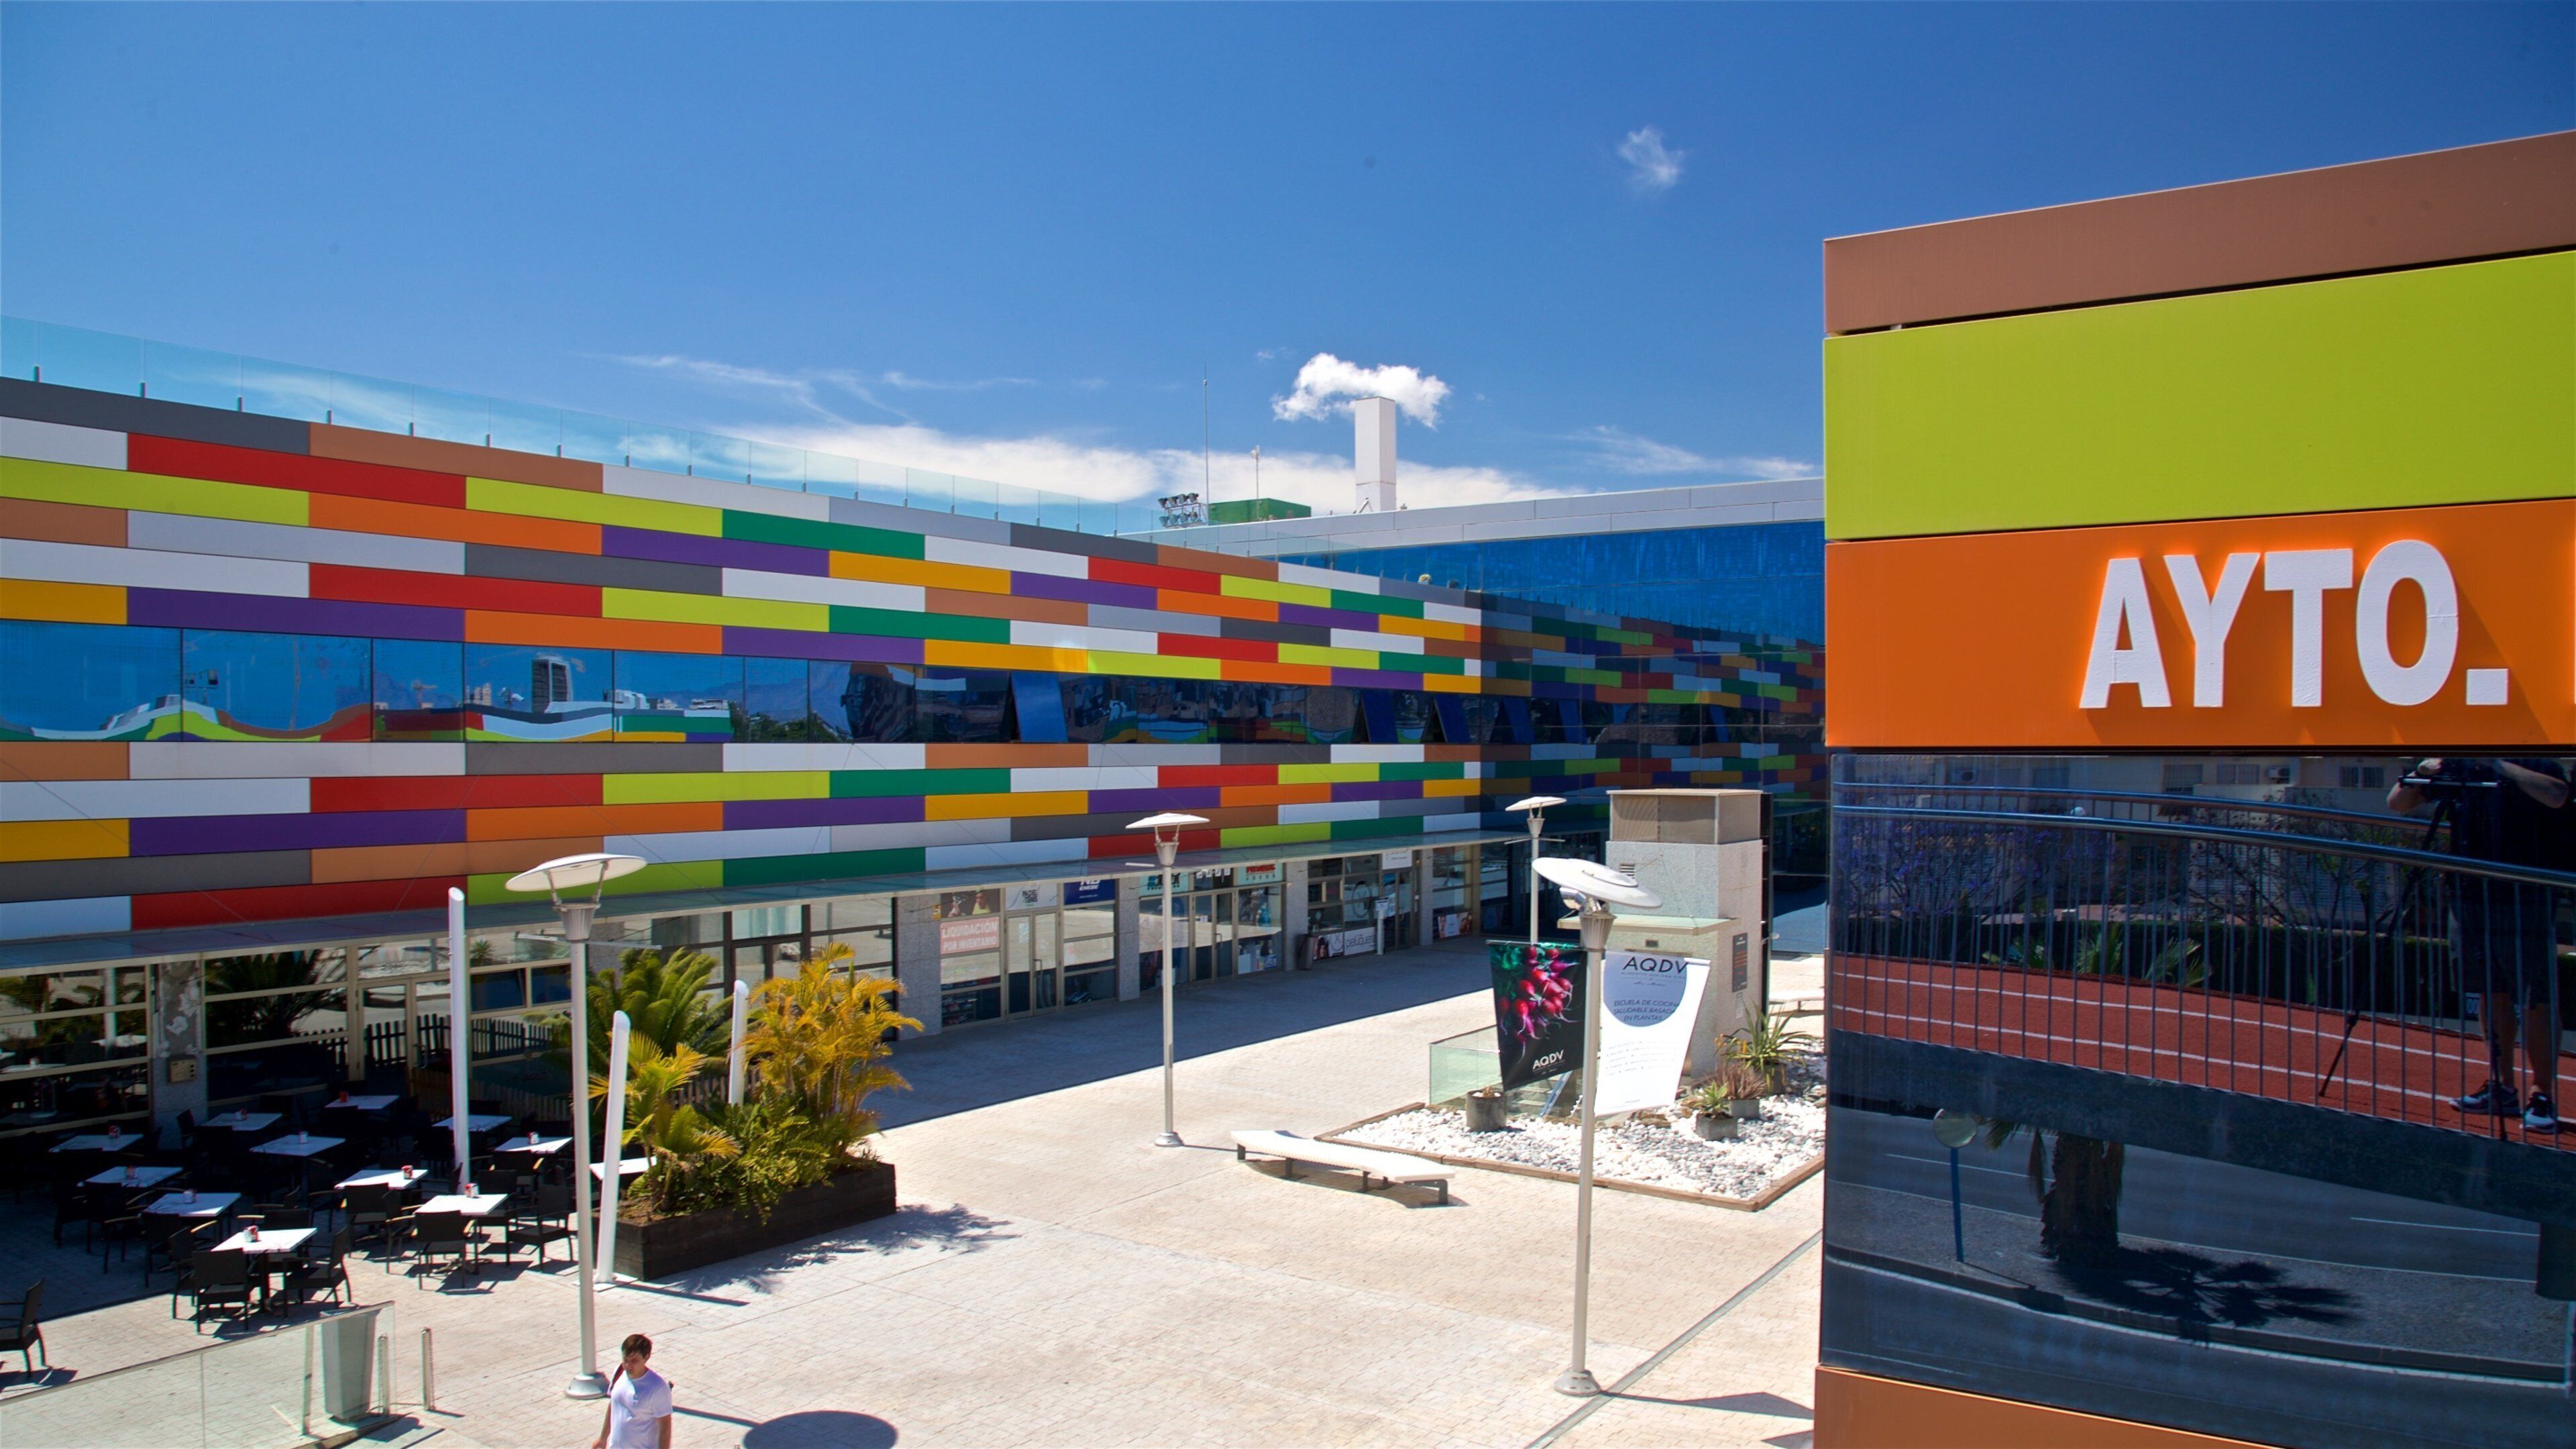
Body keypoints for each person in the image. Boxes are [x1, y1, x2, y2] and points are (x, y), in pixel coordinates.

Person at [2389, 757, 2567, 1132]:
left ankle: (2543, 1093)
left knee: (2537, 997)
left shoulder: (2538, 761)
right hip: (2469, 893)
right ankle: (2502, 1086)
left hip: (2527, 895)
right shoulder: (2461, 766)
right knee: (2490, 991)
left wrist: (2499, 767)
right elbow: (2398, 803)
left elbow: (2557, 796)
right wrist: (2423, 772)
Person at [592, 1333, 672, 1449]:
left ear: (646, 1357)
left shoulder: (657, 1387)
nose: (628, 1365)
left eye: (634, 1361)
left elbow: (665, 1426)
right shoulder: (619, 1372)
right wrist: (603, 1438)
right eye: (625, 1359)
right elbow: (614, 1404)